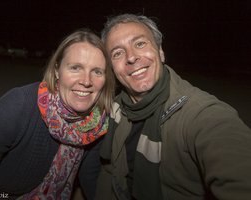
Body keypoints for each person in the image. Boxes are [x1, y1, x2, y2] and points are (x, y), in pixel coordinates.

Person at [95, 13, 251, 200]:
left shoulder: (201, 114)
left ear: (160, 51)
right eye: (118, 53)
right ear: (112, 68)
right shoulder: (115, 109)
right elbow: (110, 171)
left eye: (140, 44)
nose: (131, 57)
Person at [0, 29, 115, 200]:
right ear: (57, 70)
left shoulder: (96, 124)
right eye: (75, 68)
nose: (86, 81)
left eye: (97, 71)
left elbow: (91, 176)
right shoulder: (19, 105)